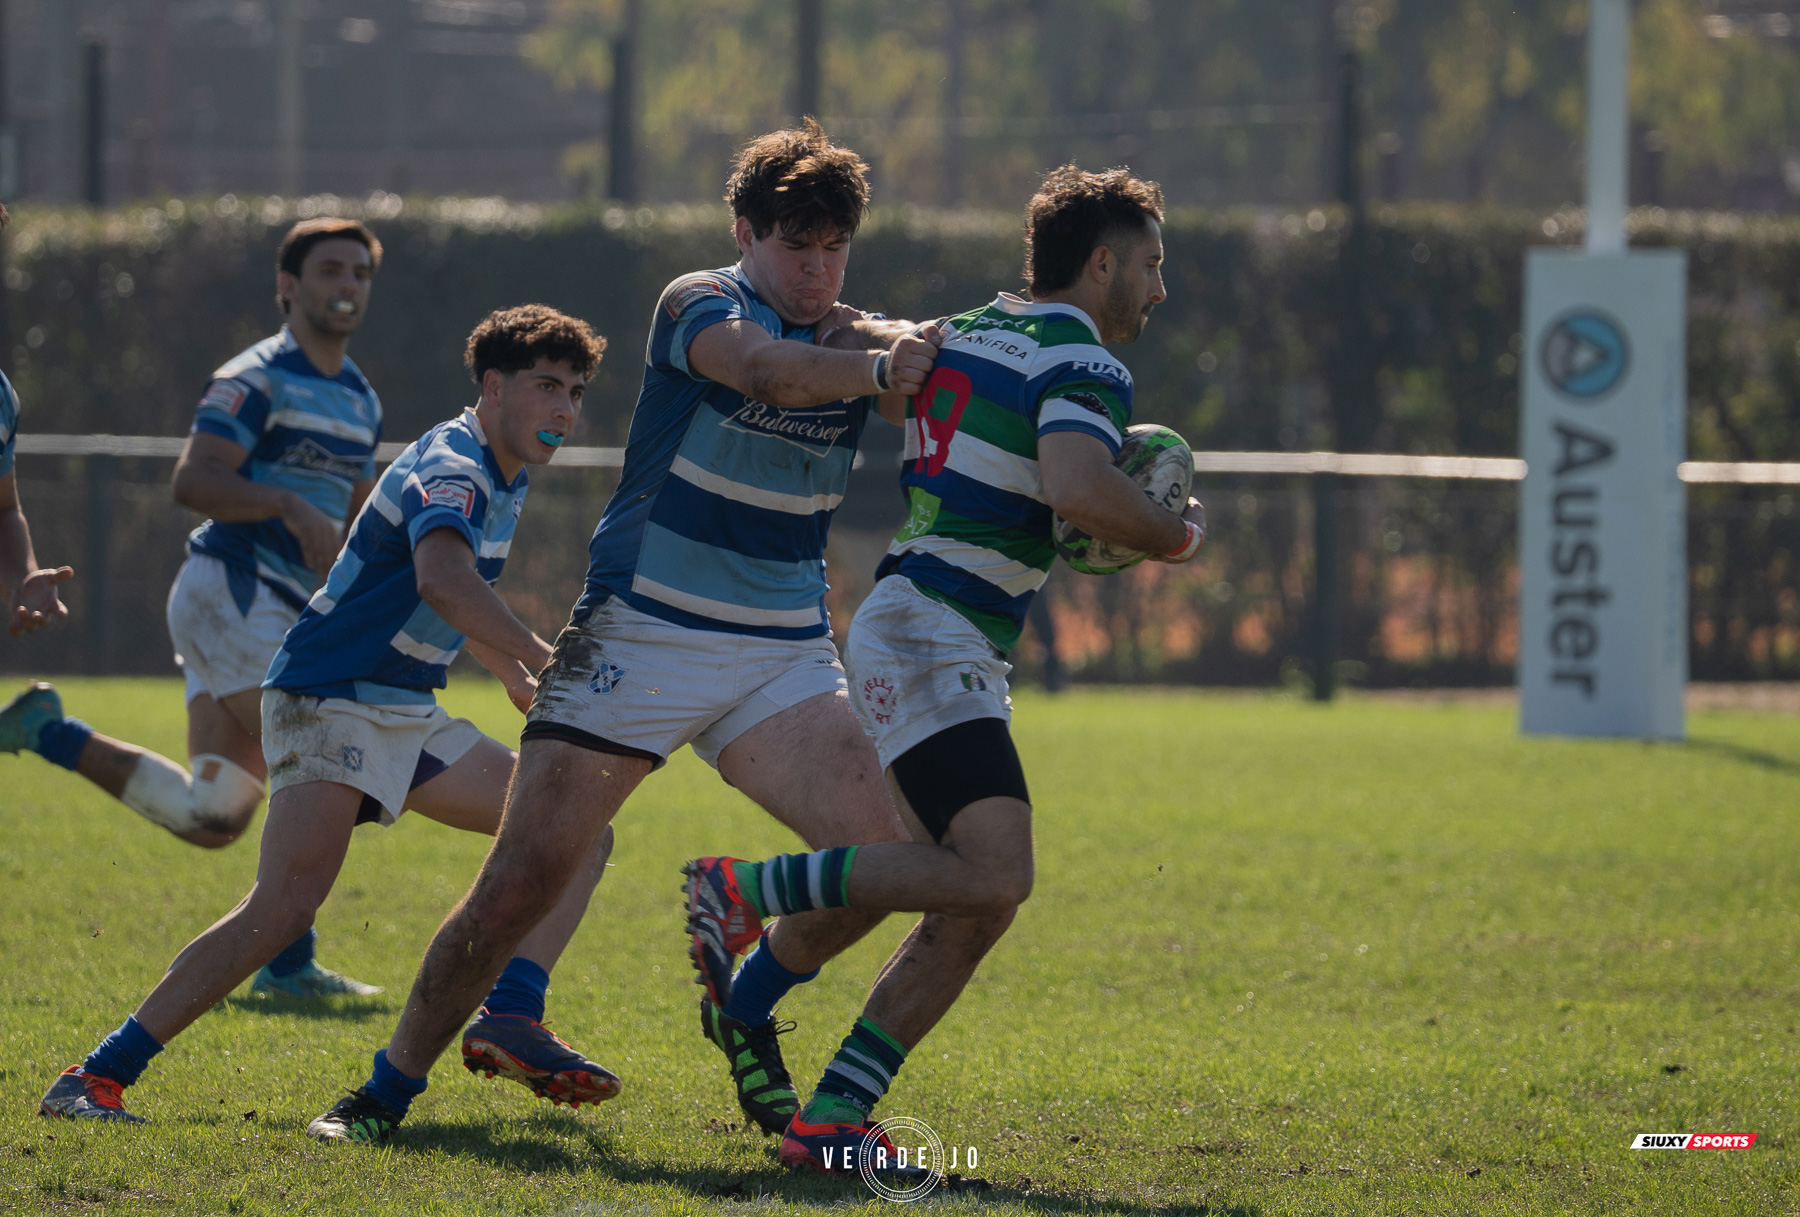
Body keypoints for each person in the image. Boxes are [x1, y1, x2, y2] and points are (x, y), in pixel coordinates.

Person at [307, 120, 943, 1148]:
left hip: (781, 648)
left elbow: (866, 346)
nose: (817, 270)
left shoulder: (848, 332)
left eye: (835, 248)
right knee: (519, 882)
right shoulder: (699, 305)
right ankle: (384, 1091)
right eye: (795, 246)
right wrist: (883, 366)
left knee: (887, 859)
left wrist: (921, 348)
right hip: (639, 634)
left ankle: (747, 999)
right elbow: (767, 371)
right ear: (744, 233)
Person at [683, 165, 1207, 1174]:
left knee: (975, 896)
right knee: (997, 872)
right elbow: (1078, 487)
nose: (1159, 287)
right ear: (1100, 265)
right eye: (1149, 264)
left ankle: (830, 1113)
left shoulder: (967, 328)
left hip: (919, 621)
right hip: (936, 632)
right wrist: (1172, 534)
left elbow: (958, 432)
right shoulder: (1083, 360)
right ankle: (743, 889)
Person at [39, 306, 618, 1129]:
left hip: (400, 704)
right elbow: (443, 581)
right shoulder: (457, 465)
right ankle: (95, 1076)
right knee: (282, 910)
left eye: (576, 392)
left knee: (575, 831)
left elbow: (445, 597)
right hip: (330, 694)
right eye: (547, 386)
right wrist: (541, 653)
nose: (564, 408)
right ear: (493, 387)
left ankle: (512, 1015)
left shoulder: (504, 471)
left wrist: (511, 672)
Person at [2, 218, 390, 997]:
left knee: (212, 814)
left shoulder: (359, 398)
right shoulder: (254, 379)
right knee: (323, 753)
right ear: (288, 286)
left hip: (285, 611)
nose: (347, 285)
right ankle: (288, 961)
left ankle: (48, 731)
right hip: (233, 595)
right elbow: (192, 479)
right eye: (329, 270)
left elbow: (355, 517)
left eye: (359, 272)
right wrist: (284, 501)